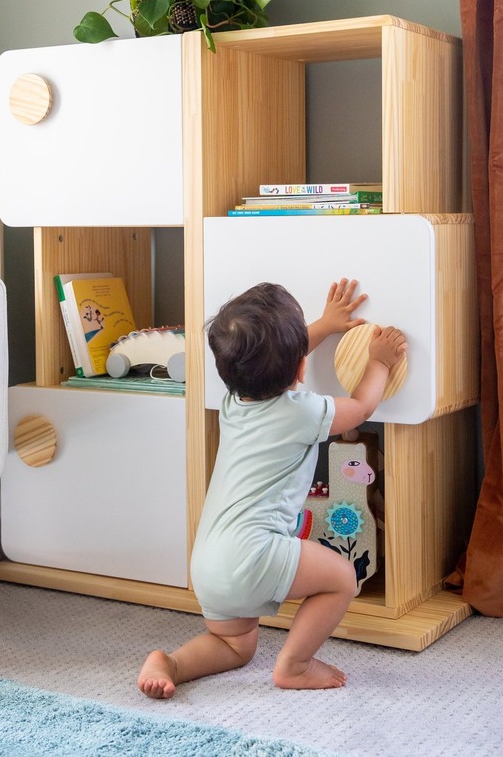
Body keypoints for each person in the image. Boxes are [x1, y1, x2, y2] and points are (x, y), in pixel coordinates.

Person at [138, 279, 406, 698]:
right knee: (341, 578)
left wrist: (323, 324)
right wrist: (380, 362)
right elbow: (362, 407)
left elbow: (277, 362)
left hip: (210, 562)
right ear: (301, 368)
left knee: (233, 646)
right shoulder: (302, 413)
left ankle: (171, 662)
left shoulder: (232, 404)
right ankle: (295, 665)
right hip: (253, 555)